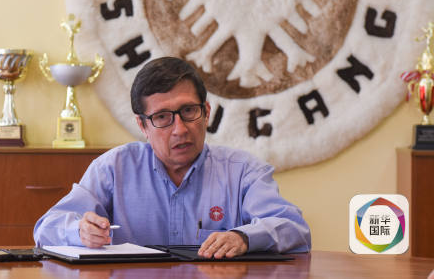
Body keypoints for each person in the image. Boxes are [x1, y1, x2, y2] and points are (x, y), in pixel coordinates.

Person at [33, 57, 311, 258]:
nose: (180, 129)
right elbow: (46, 228)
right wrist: (79, 231)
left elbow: (294, 228)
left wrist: (243, 237)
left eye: (189, 111)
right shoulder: (113, 168)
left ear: (206, 113)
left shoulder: (243, 171)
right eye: (162, 117)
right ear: (142, 125)